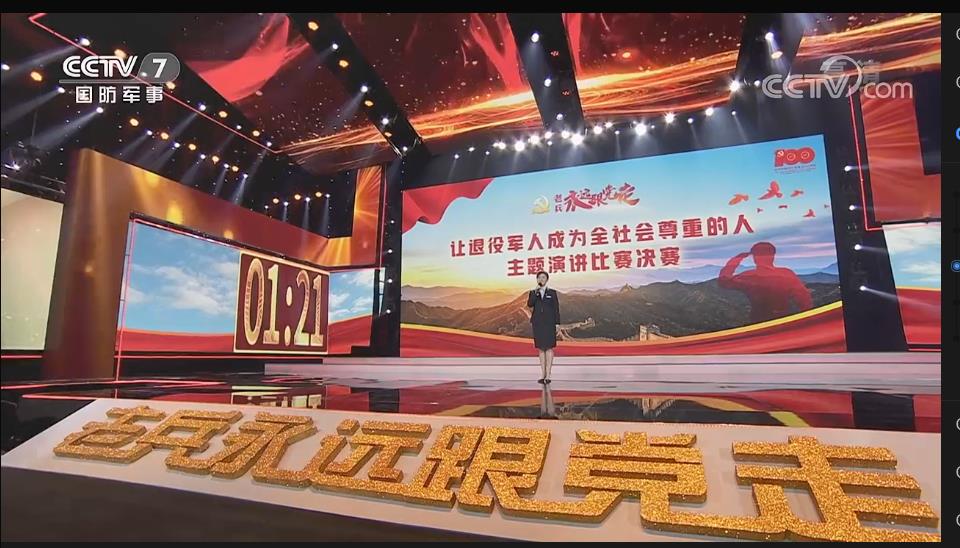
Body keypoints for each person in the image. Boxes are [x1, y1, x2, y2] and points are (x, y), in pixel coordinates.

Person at [718, 242, 813, 323]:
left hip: (758, 323)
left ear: (754, 258)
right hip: (783, 320)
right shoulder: (787, 274)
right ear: (773, 256)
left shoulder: (748, 276)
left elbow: (723, 280)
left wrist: (737, 259)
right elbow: (804, 298)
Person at [527, 270, 559, 384]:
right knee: (541, 348)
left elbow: (556, 309)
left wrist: (557, 324)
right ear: (537, 280)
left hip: (549, 323)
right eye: (539, 277)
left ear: (547, 280)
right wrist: (536, 292)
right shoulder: (533, 292)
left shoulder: (552, 293)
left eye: (543, 277)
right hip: (538, 324)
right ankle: (543, 374)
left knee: (549, 348)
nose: (541, 279)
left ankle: (548, 375)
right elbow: (530, 304)